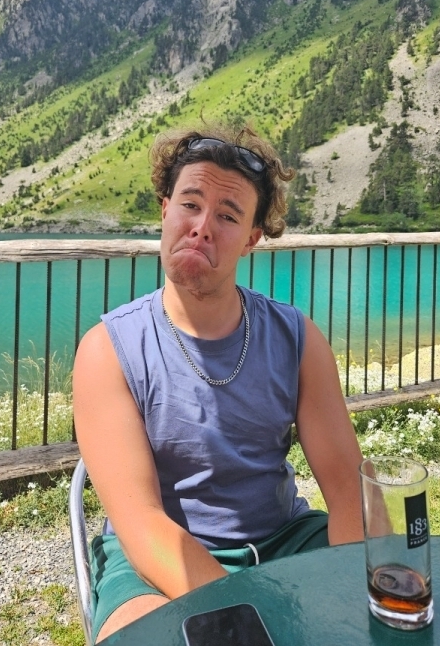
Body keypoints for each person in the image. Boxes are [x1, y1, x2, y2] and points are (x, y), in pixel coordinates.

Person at [73, 124, 364, 644]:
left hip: (283, 541)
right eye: (190, 204)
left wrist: (351, 593)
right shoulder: (107, 350)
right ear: (165, 210)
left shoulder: (297, 339)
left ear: (252, 238)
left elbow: (348, 489)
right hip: (152, 561)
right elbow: (141, 522)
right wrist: (249, 613)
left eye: (228, 216)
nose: (202, 227)